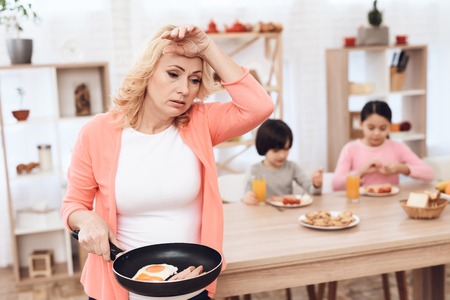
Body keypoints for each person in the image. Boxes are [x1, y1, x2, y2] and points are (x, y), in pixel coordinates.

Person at [60, 24, 273, 300]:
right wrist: (87, 219)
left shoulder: (200, 123)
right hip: (120, 288)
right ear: (147, 73)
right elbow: (72, 205)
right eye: (173, 74)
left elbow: (260, 106)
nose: (184, 89)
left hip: (190, 286)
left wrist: (207, 48)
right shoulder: (97, 132)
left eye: (194, 79)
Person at [332, 100, 434, 190]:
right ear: (361, 124)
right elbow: (336, 184)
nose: (376, 133)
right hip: (360, 205)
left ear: (390, 127)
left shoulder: (398, 147)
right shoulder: (350, 148)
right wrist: (361, 171)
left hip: (390, 205)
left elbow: (430, 174)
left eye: (383, 128)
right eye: (371, 128)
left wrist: (401, 168)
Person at [242, 119, 323, 205]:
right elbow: (245, 197)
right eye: (276, 150)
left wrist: (316, 185)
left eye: (286, 149)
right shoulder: (255, 170)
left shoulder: (292, 167)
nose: (282, 155)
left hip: (287, 214)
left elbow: (312, 191)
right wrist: (247, 198)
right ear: (264, 147)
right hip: (263, 215)